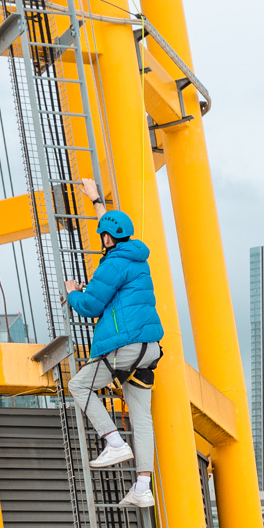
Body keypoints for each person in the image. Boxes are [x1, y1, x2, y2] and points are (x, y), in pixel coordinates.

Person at [64, 209, 165, 510]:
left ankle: (114, 442)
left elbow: (90, 306)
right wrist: (96, 200)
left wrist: (72, 293)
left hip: (125, 347)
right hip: (150, 349)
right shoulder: (138, 259)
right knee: (142, 417)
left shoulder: (113, 263)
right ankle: (143, 487)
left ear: (107, 238)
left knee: (79, 386)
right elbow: (115, 296)